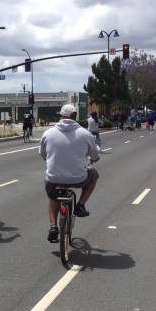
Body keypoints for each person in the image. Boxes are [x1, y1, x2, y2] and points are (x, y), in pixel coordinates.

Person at [40, 104, 100, 243]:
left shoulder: (48, 133)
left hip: (54, 178)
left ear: (61, 116)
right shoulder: (85, 134)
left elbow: (43, 154)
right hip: (78, 178)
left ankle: (53, 226)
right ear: (75, 117)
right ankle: (80, 205)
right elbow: (95, 155)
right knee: (94, 175)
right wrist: (92, 158)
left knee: (52, 195)